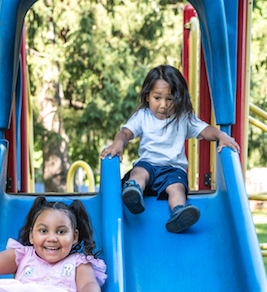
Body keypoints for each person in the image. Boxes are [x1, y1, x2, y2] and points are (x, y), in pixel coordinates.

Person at [101, 64, 240, 233]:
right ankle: (133, 193)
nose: (163, 105)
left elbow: (205, 130)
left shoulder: (183, 118)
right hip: (148, 165)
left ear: (179, 98)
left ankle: (179, 212)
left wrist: (221, 136)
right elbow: (125, 133)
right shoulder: (142, 116)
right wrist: (118, 144)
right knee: (139, 173)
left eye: (170, 98)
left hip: (173, 170)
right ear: (147, 97)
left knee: (177, 188)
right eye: (157, 98)